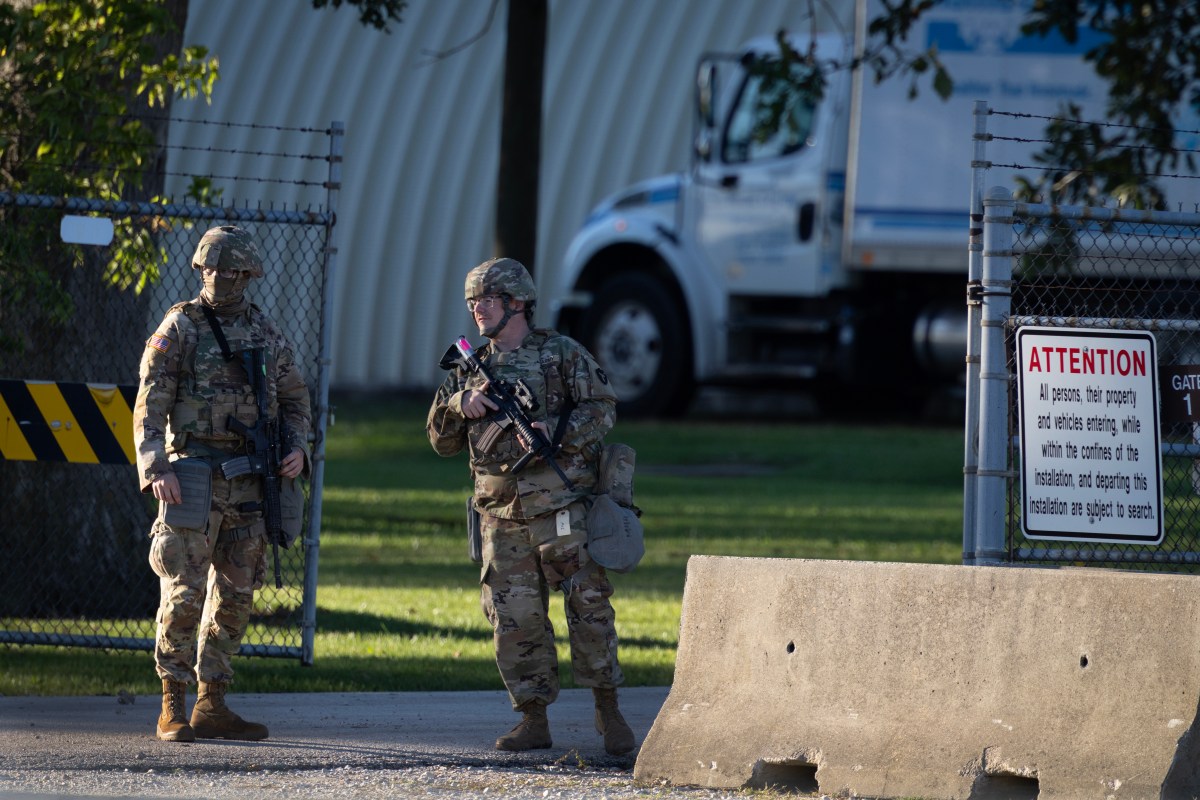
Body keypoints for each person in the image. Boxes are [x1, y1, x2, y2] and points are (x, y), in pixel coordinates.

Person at [426, 257, 636, 756]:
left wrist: (555, 434)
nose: (478, 309)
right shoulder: (467, 368)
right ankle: (532, 717)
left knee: (588, 605)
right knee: (513, 618)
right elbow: (439, 440)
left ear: (517, 303)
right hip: (500, 514)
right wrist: (460, 406)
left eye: (488, 300)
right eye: (473, 301)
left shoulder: (561, 353)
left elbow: (601, 408)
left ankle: (608, 708)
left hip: (561, 505)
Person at [134, 225, 311, 743]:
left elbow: (296, 399)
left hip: (251, 482)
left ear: (248, 275)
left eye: (232, 271)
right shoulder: (182, 327)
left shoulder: (266, 333)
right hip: (191, 477)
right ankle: (173, 703)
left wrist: (297, 448)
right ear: (201, 270)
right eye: (213, 269)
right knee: (184, 593)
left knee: (236, 596)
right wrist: (156, 466)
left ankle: (213, 701)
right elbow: (150, 404)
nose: (221, 279)